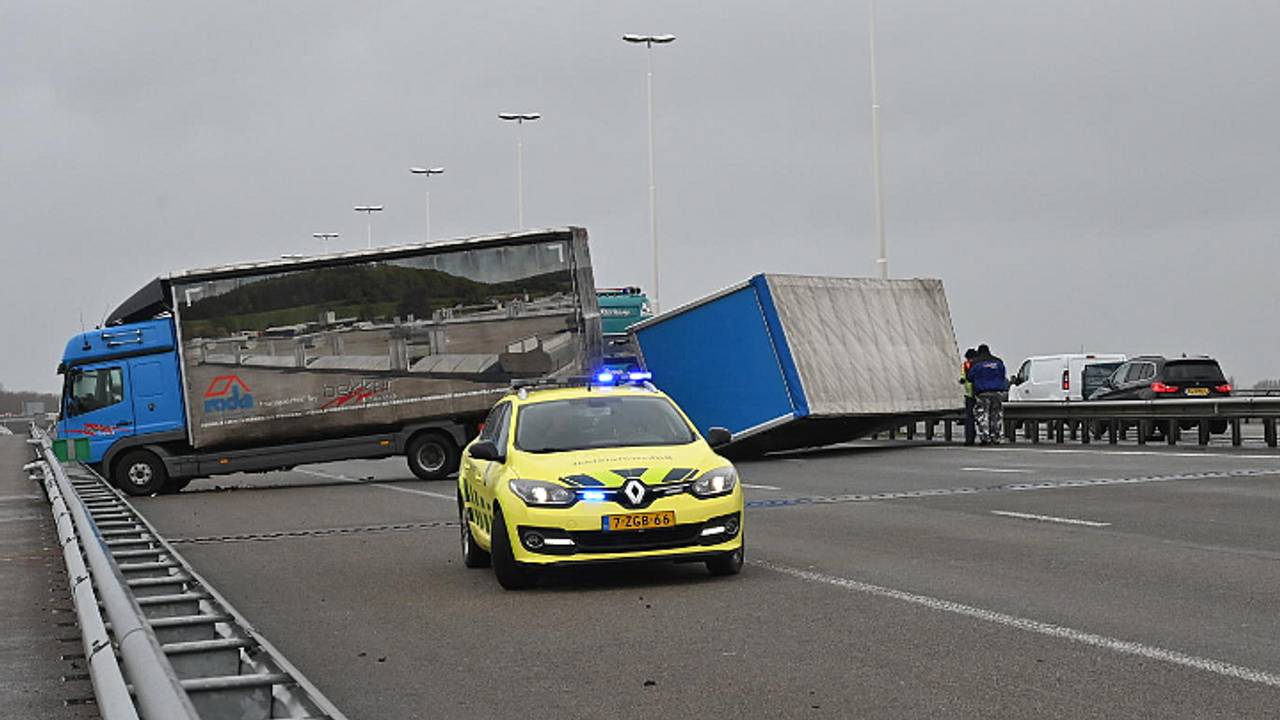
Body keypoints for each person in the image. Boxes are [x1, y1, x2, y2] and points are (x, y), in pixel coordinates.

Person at [966, 343, 1008, 444]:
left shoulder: (976, 363)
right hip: (997, 392)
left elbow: (970, 377)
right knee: (996, 415)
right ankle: (996, 437)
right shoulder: (998, 362)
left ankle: (985, 437)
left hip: (982, 392)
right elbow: (1003, 375)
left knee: (983, 415)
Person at [959, 348, 977, 446]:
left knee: (969, 418)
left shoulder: (966, 365)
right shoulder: (979, 364)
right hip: (979, 393)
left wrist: (962, 380)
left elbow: (962, 377)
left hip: (969, 395)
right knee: (981, 418)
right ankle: (985, 438)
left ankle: (970, 438)